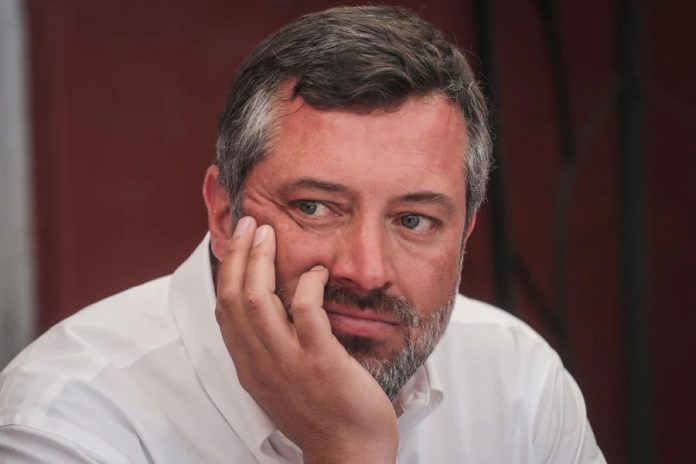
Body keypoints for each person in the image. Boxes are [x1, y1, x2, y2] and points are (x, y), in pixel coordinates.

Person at [0, 5, 605, 463]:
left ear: (465, 233)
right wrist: (351, 450)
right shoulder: (65, 424)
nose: (367, 271)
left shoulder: (518, 383)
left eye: (414, 220)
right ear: (224, 214)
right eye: (315, 207)